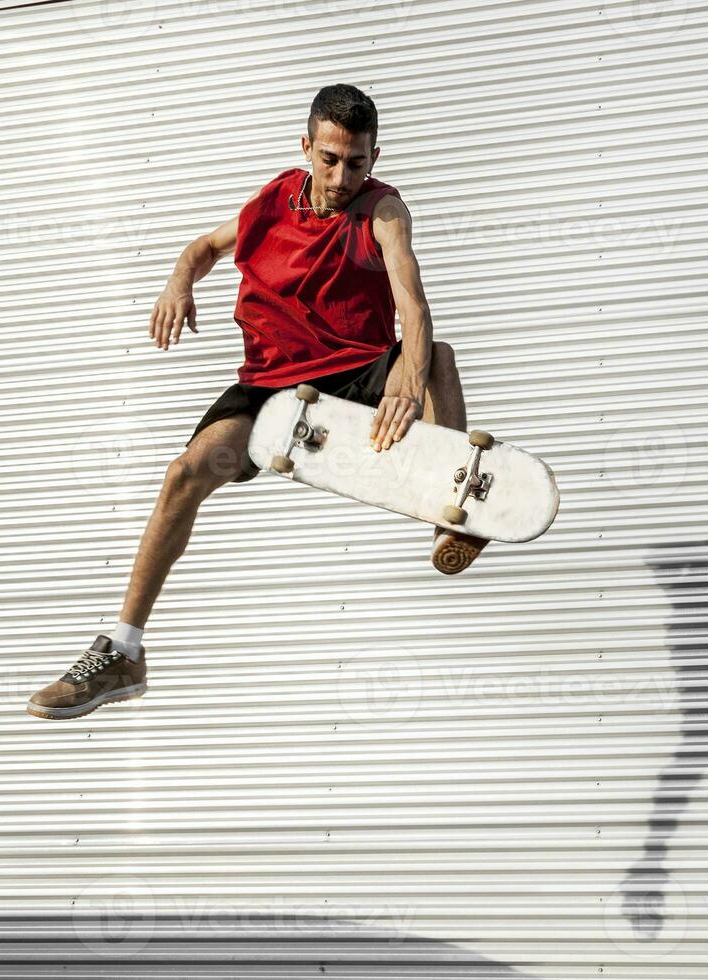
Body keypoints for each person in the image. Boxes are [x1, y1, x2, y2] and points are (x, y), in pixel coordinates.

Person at [28, 84, 486, 720]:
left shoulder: (383, 211)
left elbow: (411, 297)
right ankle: (123, 653)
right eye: (329, 159)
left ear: (374, 159)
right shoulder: (273, 201)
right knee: (185, 474)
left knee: (435, 358)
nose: (341, 176)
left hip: (357, 375)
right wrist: (178, 282)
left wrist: (406, 382)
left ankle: (452, 507)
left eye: (356, 163)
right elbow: (204, 248)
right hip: (271, 389)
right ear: (306, 148)